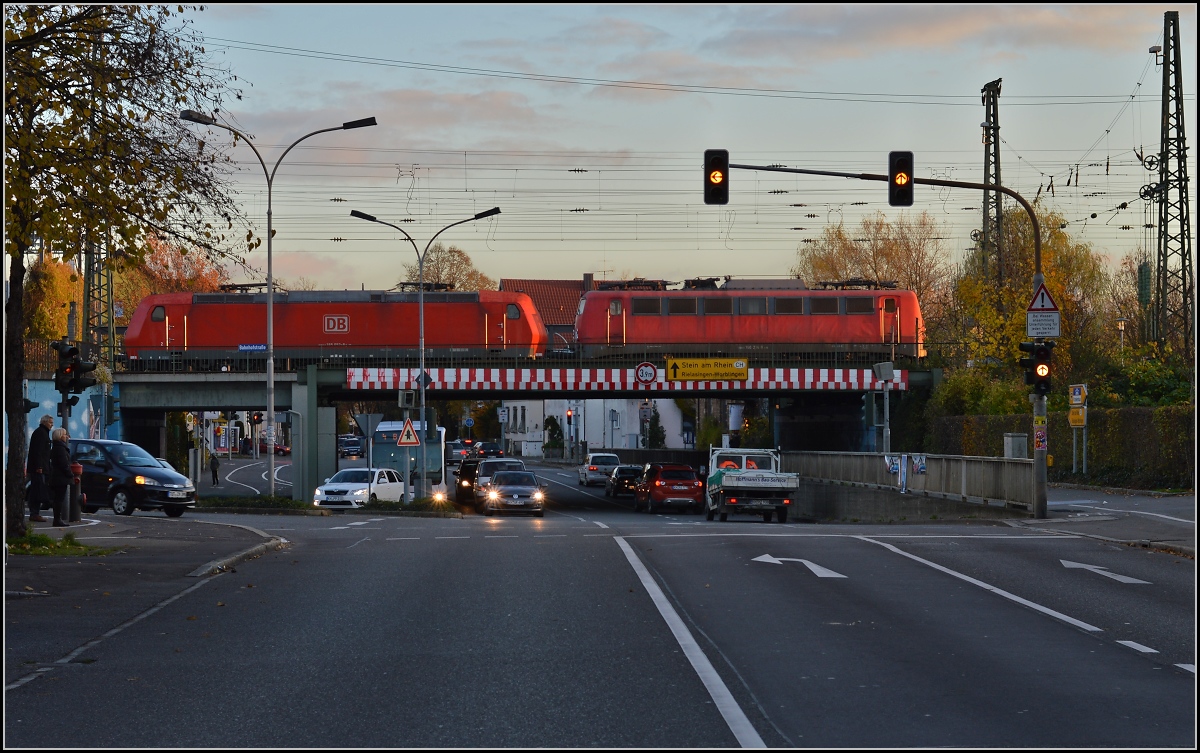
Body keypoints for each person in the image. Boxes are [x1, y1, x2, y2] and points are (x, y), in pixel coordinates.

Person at [26, 414, 54, 523]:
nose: (52, 425)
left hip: (40, 467)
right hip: (39, 468)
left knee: (36, 490)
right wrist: (39, 466)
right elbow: (38, 452)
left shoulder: (42, 433)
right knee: (37, 490)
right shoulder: (41, 434)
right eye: (50, 422)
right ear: (44, 422)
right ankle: (35, 513)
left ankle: (35, 513)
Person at [47, 426, 72, 527]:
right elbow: (63, 464)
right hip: (60, 477)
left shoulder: (56, 448)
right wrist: (69, 473)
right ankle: (57, 519)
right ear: (60, 436)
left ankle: (57, 518)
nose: (66, 437)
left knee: (58, 498)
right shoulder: (60, 449)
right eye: (65, 434)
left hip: (56, 477)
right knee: (59, 499)